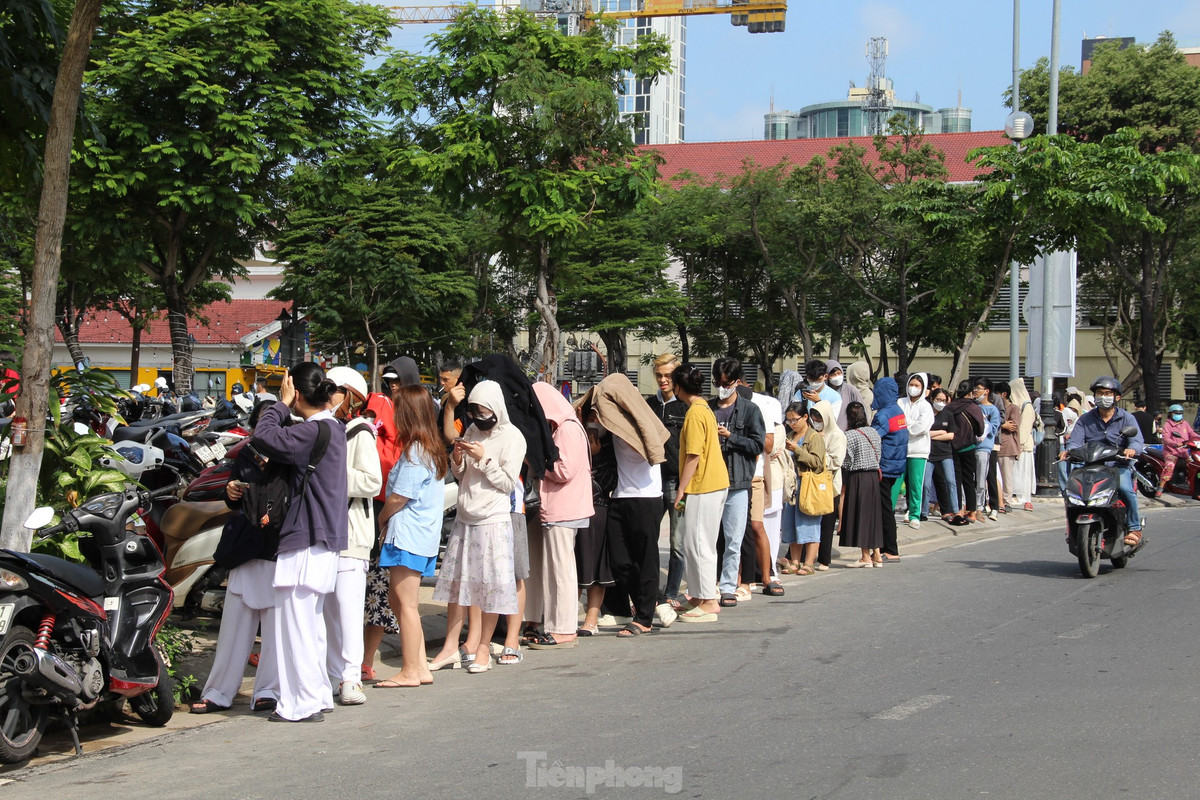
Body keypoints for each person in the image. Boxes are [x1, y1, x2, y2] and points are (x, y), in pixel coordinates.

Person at [247, 363, 347, 722]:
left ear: (298, 392)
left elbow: (264, 436)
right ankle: (316, 695)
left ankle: (301, 703)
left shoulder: (314, 430)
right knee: (310, 626)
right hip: (323, 538)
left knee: (297, 627)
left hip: (307, 536)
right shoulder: (333, 428)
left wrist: (280, 403)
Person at [430, 380, 526, 673]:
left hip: (493, 520)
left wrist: (483, 458)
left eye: (484, 411)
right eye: (475, 411)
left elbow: (508, 483)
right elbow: (461, 475)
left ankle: (483, 648)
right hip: (465, 517)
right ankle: (450, 647)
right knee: (458, 587)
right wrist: (458, 460)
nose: (480, 417)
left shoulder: (513, 437)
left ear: (496, 408)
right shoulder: (472, 430)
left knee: (490, 587)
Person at [577, 374, 670, 636]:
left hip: (646, 497)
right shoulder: (610, 421)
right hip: (619, 496)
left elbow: (650, 447)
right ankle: (648, 602)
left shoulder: (641, 421)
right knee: (619, 561)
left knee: (646, 559)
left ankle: (644, 618)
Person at [374, 385, 447, 688]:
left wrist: (380, 520)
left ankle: (410, 670)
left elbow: (398, 497)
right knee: (402, 600)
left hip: (408, 536)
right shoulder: (429, 447)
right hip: (420, 535)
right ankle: (418, 667)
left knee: (406, 604)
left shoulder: (416, 450)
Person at [321, 367, 382, 706]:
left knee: (347, 609)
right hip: (324, 532)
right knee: (328, 611)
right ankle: (332, 677)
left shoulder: (360, 432)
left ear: (350, 398)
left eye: (333, 390)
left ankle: (351, 677)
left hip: (352, 533)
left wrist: (331, 471)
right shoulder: (323, 429)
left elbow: (372, 482)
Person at [362, 356, 423, 678]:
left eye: (398, 379)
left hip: (390, 508)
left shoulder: (415, 415)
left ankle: (368, 661)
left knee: (382, 591)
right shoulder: (381, 404)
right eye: (388, 380)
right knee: (377, 589)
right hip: (372, 502)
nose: (393, 385)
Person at [524, 382, 593, 649]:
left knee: (561, 571)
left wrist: (535, 460)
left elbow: (563, 471)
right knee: (554, 569)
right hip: (558, 509)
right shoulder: (562, 427)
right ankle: (552, 624)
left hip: (564, 510)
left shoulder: (567, 429)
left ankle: (563, 628)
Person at [671, 365, 730, 622]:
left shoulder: (695, 413)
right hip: (710, 484)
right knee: (693, 542)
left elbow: (693, 455)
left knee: (698, 543)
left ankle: (709, 600)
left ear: (678, 387)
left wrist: (681, 488)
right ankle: (697, 594)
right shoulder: (703, 407)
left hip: (703, 485)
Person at [1060, 376, 1146, 546]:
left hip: (1118, 466)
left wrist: (1131, 449)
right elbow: (1076, 441)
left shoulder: (1127, 418)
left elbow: (1136, 440)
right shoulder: (1085, 419)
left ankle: (1134, 527)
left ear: (1117, 397)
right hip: (1091, 466)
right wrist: (1069, 451)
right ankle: (1073, 531)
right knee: (1073, 493)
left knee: (1126, 489)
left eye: (1107, 393)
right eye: (1100, 393)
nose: (1103, 396)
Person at [709, 358, 765, 608]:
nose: (721, 387)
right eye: (717, 383)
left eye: (726, 383)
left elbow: (758, 445)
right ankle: (708, 584)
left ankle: (728, 586)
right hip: (710, 482)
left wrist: (731, 437)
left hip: (738, 482)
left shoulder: (750, 410)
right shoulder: (707, 408)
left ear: (737, 382)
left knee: (734, 538)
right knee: (707, 539)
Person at [646, 353, 688, 606]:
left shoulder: (687, 406)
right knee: (648, 538)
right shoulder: (648, 405)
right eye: (659, 375)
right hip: (649, 483)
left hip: (679, 485)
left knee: (677, 541)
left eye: (668, 375)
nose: (663, 380)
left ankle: (671, 593)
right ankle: (649, 591)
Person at [780, 399, 825, 574]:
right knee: (791, 523)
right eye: (789, 420)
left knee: (809, 522)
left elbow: (817, 463)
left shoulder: (814, 437)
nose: (791, 424)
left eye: (795, 420)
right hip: (791, 486)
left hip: (808, 484)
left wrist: (797, 450)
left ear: (805, 417)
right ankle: (795, 561)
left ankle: (809, 562)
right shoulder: (789, 436)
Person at [839, 402, 883, 567]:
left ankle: (865, 556)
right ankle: (877, 554)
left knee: (860, 515)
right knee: (873, 515)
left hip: (858, 476)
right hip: (873, 476)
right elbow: (878, 453)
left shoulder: (849, 435)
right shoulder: (874, 432)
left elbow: (846, 461)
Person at [871, 377, 909, 563]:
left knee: (884, 509)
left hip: (884, 467)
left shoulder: (883, 415)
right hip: (895, 465)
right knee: (886, 507)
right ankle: (885, 548)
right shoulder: (898, 411)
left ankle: (890, 549)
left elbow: (873, 437)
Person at [811, 399, 846, 571]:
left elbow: (836, 461)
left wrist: (818, 451)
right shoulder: (814, 433)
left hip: (830, 485)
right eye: (814, 418)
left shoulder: (837, 435)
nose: (816, 422)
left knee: (827, 523)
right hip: (813, 484)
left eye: (819, 419)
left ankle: (824, 559)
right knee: (812, 520)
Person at [896, 373, 933, 530]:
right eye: (912, 384)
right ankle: (888, 512)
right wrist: (909, 425)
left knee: (916, 485)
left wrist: (906, 424)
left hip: (918, 450)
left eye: (918, 386)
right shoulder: (900, 402)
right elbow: (896, 422)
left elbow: (922, 427)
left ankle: (914, 514)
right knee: (895, 483)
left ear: (923, 388)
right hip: (900, 449)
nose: (914, 388)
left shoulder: (926, 406)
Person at [947, 381, 986, 525]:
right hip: (969, 448)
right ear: (970, 392)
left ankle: (957, 510)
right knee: (969, 481)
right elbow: (980, 430)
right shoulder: (973, 408)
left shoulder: (950, 407)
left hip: (952, 448)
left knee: (955, 480)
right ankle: (972, 511)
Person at [925, 387, 959, 522]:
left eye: (944, 400)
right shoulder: (927, 413)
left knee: (951, 482)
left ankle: (955, 510)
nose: (941, 402)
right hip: (929, 454)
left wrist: (932, 436)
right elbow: (923, 432)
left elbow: (950, 435)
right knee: (926, 484)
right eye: (938, 399)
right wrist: (941, 432)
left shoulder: (948, 414)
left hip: (945, 453)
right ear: (932, 399)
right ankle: (924, 511)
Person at [972, 378, 1003, 520]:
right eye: (975, 388)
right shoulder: (973, 406)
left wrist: (984, 422)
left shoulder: (992, 410)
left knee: (984, 477)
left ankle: (985, 506)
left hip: (985, 447)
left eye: (978, 388)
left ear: (986, 391)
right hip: (970, 446)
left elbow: (994, 429)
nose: (975, 391)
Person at [1008, 378, 1038, 511]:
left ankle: (1026, 499)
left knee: (1024, 473)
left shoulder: (1027, 406)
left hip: (1023, 446)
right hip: (1018, 445)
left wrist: (1018, 444)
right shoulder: (1017, 406)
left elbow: (1024, 429)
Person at [1157, 403, 1197, 495]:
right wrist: (1175, 444)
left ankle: (1190, 485)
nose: (1178, 415)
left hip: (1184, 452)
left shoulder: (1185, 424)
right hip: (1171, 452)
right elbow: (1166, 438)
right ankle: (1161, 487)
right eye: (1176, 413)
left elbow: (1192, 434)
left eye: (1180, 413)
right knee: (1169, 467)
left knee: (1193, 465)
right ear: (1171, 414)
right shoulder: (1168, 425)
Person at [798, 359, 842, 424]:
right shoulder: (800, 393)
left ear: (825, 376)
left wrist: (818, 402)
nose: (814, 383)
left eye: (818, 380)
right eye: (811, 380)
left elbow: (832, 420)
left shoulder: (835, 396)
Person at [825, 359, 864, 431]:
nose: (837, 376)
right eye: (833, 374)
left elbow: (862, 412)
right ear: (826, 376)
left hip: (848, 433)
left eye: (839, 373)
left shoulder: (851, 390)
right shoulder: (824, 392)